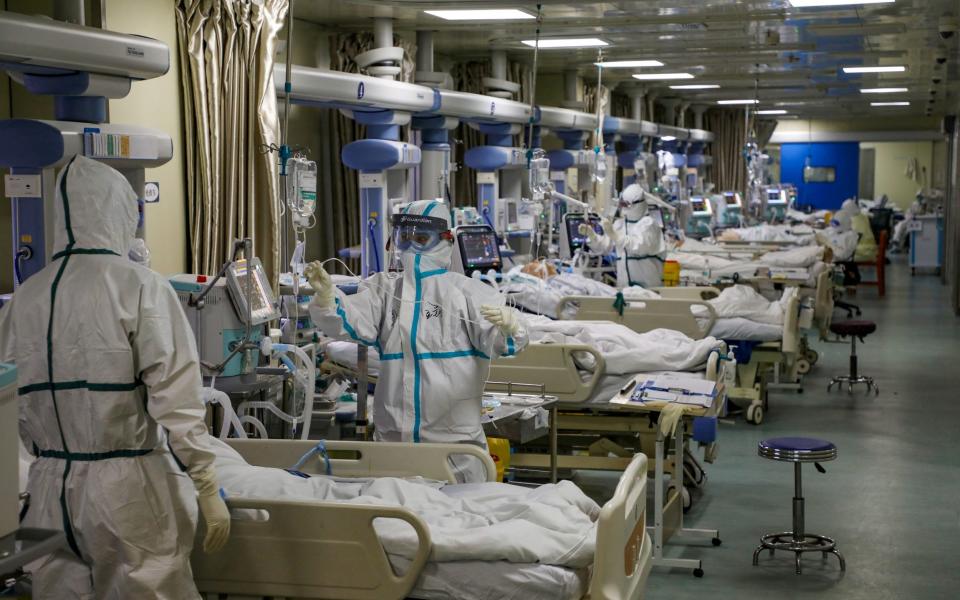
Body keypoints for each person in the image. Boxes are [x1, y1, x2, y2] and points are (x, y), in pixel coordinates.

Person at [0, 155, 229, 599]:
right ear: (117, 212)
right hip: (128, 492)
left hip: (49, 492)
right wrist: (205, 482)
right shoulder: (140, 287)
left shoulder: (23, 299)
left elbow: (11, 405)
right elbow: (177, 399)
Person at [306, 199, 527, 482]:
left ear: (445, 240)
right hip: (395, 442)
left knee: (460, 519)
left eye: (421, 239)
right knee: (397, 520)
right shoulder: (384, 290)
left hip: (455, 446)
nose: (410, 248)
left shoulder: (468, 294)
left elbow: (503, 343)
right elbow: (348, 321)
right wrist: (327, 299)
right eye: (404, 238)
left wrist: (511, 329)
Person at [580, 182, 667, 288]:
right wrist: (592, 236)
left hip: (649, 287)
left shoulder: (649, 224)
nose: (623, 208)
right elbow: (605, 248)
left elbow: (638, 247)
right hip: (625, 287)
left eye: (627, 205)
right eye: (622, 204)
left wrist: (615, 236)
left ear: (638, 204)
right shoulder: (620, 224)